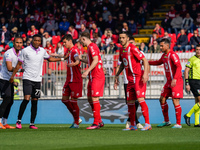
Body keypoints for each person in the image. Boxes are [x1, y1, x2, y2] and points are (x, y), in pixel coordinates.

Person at [9, 34, 68, 129]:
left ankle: (32, 123)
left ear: (41, 42)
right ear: (32, 40)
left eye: (39, 41)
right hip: (27, 78)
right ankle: (19, 121)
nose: (37, 42)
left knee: (35, 101)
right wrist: (13, 76)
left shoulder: (42, 51)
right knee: (26, 99)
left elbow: (50, 59)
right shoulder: (25, 51)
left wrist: (62, 58)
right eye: (35, 40)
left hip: (37, 80)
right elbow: (19, 64)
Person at [114, 32, 151, 131]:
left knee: (140, 100)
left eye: (123, 38)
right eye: (120, 38)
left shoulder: (133, 48)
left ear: (127, 38)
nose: (121, 39)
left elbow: (145, 60)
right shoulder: (121, 50)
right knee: (130, 102)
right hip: (129, 80)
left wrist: (145, 74)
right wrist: (117, 75)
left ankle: (147, 124)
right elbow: (122, 64)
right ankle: (133, 125)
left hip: (138, 78)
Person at [149, 39, 183, 128]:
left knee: (175, 100)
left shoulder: (173, 55)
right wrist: (146, 62)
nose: (160, 47)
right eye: (160, 46)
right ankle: (166, 121)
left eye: (162, 46)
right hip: (169, 82)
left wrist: (175, 79)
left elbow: (179, 67)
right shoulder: (164, 56)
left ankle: (178, 124)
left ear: (167, 46)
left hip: (176, 81)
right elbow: (157, 62)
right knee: (162, 99)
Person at [79, 32, 105, 129]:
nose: (82, 44)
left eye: (81, 41)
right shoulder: (90, 47)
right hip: (92, 76)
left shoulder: (92, 46)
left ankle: (95, 123)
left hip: (97, 76)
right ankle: (99, 120)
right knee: (90, 98)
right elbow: (91, 60)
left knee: (94, 98)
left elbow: (96, 60)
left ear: (84, 39)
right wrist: (81, 60)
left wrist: (86, 71)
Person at [0, 37, 23, 129]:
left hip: (10, 79)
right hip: (3, 79)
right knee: (7, 98)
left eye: (20, 42)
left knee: (10, 101)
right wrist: (21, 69)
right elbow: (10, 68)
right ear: (13, 43)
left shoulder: (21, 53)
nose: (19, 44)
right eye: (17, 42)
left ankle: (5, 122)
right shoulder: (8, 53)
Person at [61, 34, 82, 128]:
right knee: (64, 99)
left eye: (65, 42)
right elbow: (63, 56)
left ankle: (76, 122)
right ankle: (77, 118)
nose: (64, 44)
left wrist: (75, 63)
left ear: (70, 41)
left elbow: (78, 60)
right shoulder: (68, 51)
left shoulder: (75, 51)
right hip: (69, 79)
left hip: (75, 80)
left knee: (74, 101)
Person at [184, 45, 200, 127]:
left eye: (199, 50)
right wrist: (187, 83)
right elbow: (186, 71)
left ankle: (197, 123)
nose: (198, 51)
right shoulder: (192, 59)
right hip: (194, 81)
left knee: (198, 102)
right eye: (197, 49)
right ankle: (188, 115)